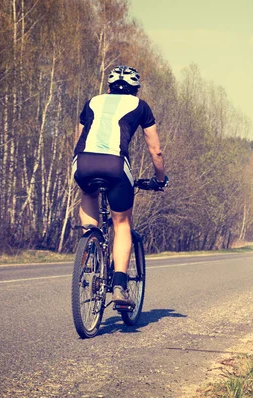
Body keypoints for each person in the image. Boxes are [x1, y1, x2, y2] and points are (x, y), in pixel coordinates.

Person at [72, 65, 167, 306]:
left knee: (88, 192)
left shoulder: (92, 102)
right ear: (136, 90)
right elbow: (155, 151)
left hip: (83, 162)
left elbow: (80, 138)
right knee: (122, 223)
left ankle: (90, 251)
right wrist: (159, 179)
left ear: (108, 88)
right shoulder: (140, 106)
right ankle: (118, 286)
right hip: (115, 165)